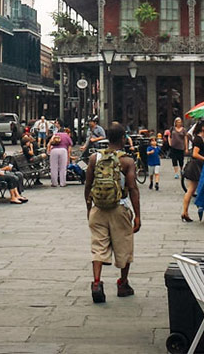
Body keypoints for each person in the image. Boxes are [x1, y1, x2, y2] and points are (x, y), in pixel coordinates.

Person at [84, 123, 141, 303]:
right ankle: (123, 284)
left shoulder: (95, 158)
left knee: (98, 246)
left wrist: (89, 207)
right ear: (123, 138)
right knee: (124, 245)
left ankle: (96, 282)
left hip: (98, 208)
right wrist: (137, 215)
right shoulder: (127, 161)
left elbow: (88, 185)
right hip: (119, 207)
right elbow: (132, 188)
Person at [180, 120, 204, 222]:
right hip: (196, 167)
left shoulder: (201, 139)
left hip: (196, 166)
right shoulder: (198, 139)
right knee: (195, 189)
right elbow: (195, 154)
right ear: (203, 128)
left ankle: (186, 212)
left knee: (193, 189)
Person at [47, 121, 73, 187]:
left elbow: (49, 144)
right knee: (62, 168)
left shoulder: (55, 135)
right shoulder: (66, 136)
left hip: (54, 151)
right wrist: (69, 157)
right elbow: (69, 148)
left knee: (53, 167)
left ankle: (54, 183)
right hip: (63, 151)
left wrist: (48, 151)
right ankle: (62, 183)